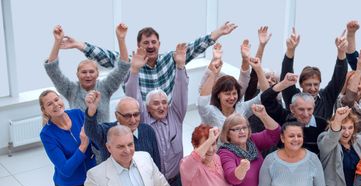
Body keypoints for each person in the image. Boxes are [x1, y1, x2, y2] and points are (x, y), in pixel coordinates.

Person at [125, 43, 188, 186]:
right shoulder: (141, 121)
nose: (161, 106)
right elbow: (132, 96)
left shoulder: (176, 114)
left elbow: (181, 91)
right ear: (146, 108)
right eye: (155, 103)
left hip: (173, 180)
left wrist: (180, 67)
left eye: (164, 102)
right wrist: (134, 71)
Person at [60, 22, 237, 100]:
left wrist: (218, 32)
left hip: (166, 114)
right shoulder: (129, 62)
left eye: (154, 42)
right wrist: (78, 45)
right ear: (139, 45)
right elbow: (104, 55)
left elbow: (196, 46)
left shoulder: (170, 59)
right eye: (146, 43)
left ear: (159, 44)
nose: (150, 45)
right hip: (140, 117)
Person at [45, 24, 130, 123]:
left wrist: (121, 39)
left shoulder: (105, 87)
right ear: (77, 74)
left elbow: (123, 67)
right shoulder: (70, 89)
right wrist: (57, 42)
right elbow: (52, 69)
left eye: (91, 72)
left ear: (97, 74)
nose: (88, 75)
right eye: (84, 72)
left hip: (103, 137)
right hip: (80, 137)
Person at [279, 28, 348, 120]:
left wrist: (341, 52)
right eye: (308, 84)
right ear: (301, 84)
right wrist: (290, 50)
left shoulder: (326, 97)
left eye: (316, 84)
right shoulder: (293, 96)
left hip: (322, 134)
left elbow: (339, 78)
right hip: (297, 133)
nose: (312, 88)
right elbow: (286, 76)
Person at [198, 42, 269, 128]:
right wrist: (213, 70)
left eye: (234, 93)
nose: (232, 98)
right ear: (218, 95)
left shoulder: (242, 108)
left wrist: (253, 65)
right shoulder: (210, 113)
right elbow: (202, 100)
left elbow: (265, 95)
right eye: (227, 94)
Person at [261, 73, 327, 155]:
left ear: (314, 107)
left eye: (309, 109)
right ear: (292, 108)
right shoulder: (284, 118)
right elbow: (266, 99)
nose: (306, 114)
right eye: (301, 109)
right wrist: (283, 84)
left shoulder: (323, 124)